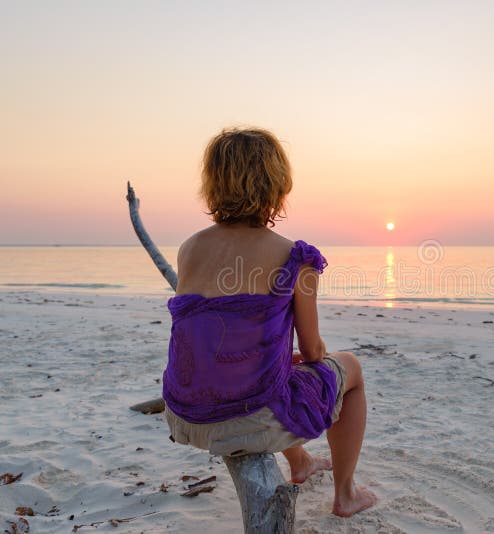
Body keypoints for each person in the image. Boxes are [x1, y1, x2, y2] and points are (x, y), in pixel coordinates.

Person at [161, 127, 377, 517]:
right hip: (244, 419)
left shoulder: (189, 248)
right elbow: (312, 350)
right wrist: (314, 354)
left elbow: (214, 333)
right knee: (351, 371)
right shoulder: (294, 257)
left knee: (267, 372)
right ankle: (346, 493)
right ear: (276, 184)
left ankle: (300, 463)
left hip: (184, 414)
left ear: (213, 183)